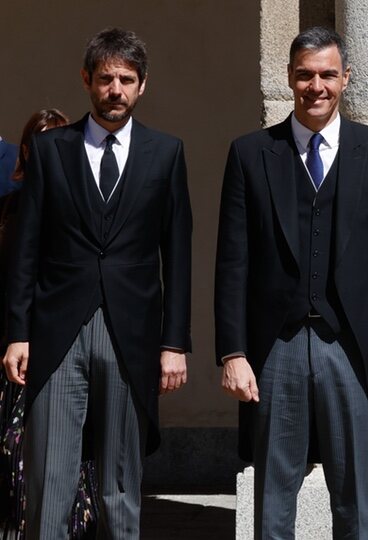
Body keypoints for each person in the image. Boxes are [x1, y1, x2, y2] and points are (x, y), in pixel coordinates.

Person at [215, 26, 368, 540]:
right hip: (273, 348)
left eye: (328, 74)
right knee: (273, 496)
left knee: (353, 495)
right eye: (305, 75)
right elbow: (232, 262)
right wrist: (232, 352)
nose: (316, 86)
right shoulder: (249, 153)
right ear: (289, 78)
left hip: (351, 347)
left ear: (345, 78)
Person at [2, 28, 192, 539]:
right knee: (50, 483)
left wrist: (174, 343)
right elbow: (26, 251)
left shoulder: (166, 153)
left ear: (142, 86)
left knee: (120, 485)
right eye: (106, 77)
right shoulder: (49, 151)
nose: (115, 89)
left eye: (126, 79)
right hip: (55, 332)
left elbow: (177, 254)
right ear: (86, 80)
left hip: (132, 334)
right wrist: (17, 333)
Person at [0, 109, 101, 539]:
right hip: (16, 347)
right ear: (26, 150)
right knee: (15, 452)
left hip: (65, 343)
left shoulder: (85, 206)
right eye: (34, 141)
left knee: (67, 453)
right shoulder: (10, 207)